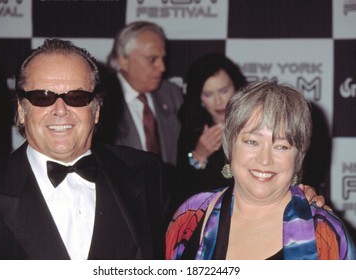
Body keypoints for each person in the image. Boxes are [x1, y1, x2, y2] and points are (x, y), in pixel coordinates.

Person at [0, 39, 167, 260]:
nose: (60, 110)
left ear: (96, 110)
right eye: (43, 97)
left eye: (76, 97)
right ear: (21, 110)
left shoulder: (146, 171)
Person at [166, 81, 356, 260]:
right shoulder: (191, 215)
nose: (265, 160)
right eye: (252, 142)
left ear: (298, 158)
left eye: (281, 146)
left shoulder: (324, 233)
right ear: (230, 146)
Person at [94, 21, 184, 166]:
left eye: (163, 59)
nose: (162, 67)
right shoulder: (104, 99)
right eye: (152, 59)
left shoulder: (171, 93)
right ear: (123, 60)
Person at [175, 53, 247, 203]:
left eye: (224, 91)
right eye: (208, 94)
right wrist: (199, 156)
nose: (218, 101)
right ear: (199, 97)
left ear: (236, 87)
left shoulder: (255, 120)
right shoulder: (191, 129)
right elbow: (182, 193)